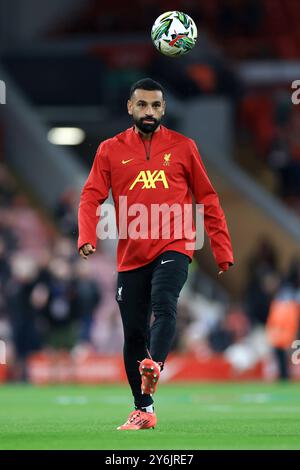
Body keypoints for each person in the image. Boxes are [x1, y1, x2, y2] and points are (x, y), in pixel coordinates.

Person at [78, 78, 234, 430]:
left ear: (164, 109)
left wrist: (222, 249)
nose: (150, 112)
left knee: (165, 302)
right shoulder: (109, 150)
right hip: (131, 252)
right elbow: (91, 196)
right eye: (143, 105)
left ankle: (156, 365)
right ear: (130, 108)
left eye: (157, 106)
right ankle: (144, 409)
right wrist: (87, 234)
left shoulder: (184, 147)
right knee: (133, 334)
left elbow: (207, 198)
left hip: (175, 242)